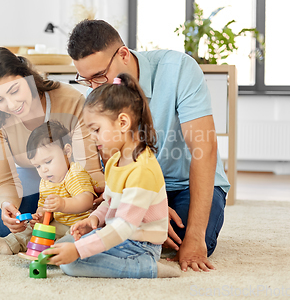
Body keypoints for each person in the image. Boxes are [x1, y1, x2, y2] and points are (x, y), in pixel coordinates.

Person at [65, 19, 230, 272]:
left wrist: (194, 237)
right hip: (137, 187)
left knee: (184, 242)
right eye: (87, 80)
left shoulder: (179, 69)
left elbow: (204, 150)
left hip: (186, 184)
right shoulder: (98, 94)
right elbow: (111, 163)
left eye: (100, 76)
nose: (95, 88)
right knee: (97, 229)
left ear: (123, 55)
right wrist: (147, 209)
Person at [44, 74, 180, 278]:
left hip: (139, 245)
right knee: (62, 247)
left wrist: (79, 250)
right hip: (118, 234)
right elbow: (110, 201)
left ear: (123, 122)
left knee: (72, 264)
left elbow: (124, 226)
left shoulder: (142, 169)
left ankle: (146, 267)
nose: (92, 137)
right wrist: (94, 219)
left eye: (96, 129)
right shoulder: (115, 160)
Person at [0, 47, 104, 238]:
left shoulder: (69, 100)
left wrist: (103, 195)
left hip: (73, 176)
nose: (11, 105)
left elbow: (90, 169)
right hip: (28, 175)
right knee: (8, 228)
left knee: (90, 217)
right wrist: (7, 205)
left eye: (15, 90)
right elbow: (4, 181)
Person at [0, 120, 98, 255]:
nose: (44, 170)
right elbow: (43, 206)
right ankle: (10, 243)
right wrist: (40, 216)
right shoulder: (46, 181)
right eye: (38, 166)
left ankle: (58, 251)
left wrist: (63, 204)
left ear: (67, 151)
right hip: (58, 224)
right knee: (34, 232)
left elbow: (87, 201)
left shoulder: (75, 173)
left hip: (79, 226)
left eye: (48, 161)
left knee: (71, 238)